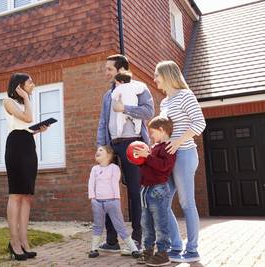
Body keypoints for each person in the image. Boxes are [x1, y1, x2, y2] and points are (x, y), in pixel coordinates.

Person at [97, 54, 155, 251]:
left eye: (109, 69)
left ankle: (138, 237)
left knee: (134, 191)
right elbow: (103, 123)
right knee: (108, 192)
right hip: (112, 146)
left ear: (121, 70)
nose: (106, 73)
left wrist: (125, 108)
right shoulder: (107, 95)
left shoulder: (140, 88)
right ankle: (111, 240)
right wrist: (102, 147)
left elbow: (149, 112)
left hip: (134, 144)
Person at [153, 61, 206, 263]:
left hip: (184, 154)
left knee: (186, 202)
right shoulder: (164, 102)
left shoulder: (186, 95)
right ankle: (176, 246)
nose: (155, 79)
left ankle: (192, 249)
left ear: (167, 75)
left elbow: (199, 123)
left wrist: (177, 142)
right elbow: (166, 132)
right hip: (168, 157)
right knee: (161, 202)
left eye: (157, 75)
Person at [3, 73, 48, 261]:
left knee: (27, 196)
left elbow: (27, 128)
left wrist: (38, 131)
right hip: (15, 147)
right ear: (19, 86)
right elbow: (28, 119)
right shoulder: (8, 101)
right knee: (16, 194)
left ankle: (24, 242)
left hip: (28, 146)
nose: (33, 84)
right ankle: (14, 242)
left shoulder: (23, 102)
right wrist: (26, 98)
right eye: (30, 82)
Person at [134, 116, 176, 266]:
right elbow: (148, 167)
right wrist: (140, 160)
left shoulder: (169, 147)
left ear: (162, 130)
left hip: (158, 190)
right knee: (146, 223)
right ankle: (148, 251)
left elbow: (164, 167)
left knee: (160, 223)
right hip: (145, 190)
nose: (151, 136)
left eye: (152, 132)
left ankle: (163, 253)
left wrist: (148, 157)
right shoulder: (153, 148)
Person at [88, 145, 140, 258]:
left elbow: (115, 184)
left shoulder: (114, 168)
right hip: (98, 202)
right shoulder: (94, 169)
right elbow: (91, 184)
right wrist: (92, 198)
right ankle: (93, 249)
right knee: (98, 225)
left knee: (120, 226)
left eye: (101, 150)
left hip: (112, 202)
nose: (97, 151)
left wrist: (117, 199)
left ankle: (134, 249)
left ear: (109, 155)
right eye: (97, 150)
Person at [112, 72, 144, 136]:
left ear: (122, 82)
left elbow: (113, 96)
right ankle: (137, 131)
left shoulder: (119, 88)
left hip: (123, 109)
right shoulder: (133, 86)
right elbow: (141, 90)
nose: (115, 84)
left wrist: (117, 97)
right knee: (138, 120)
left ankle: (119, 133)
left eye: (116, 82)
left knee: (119, 120)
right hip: (133, 108)